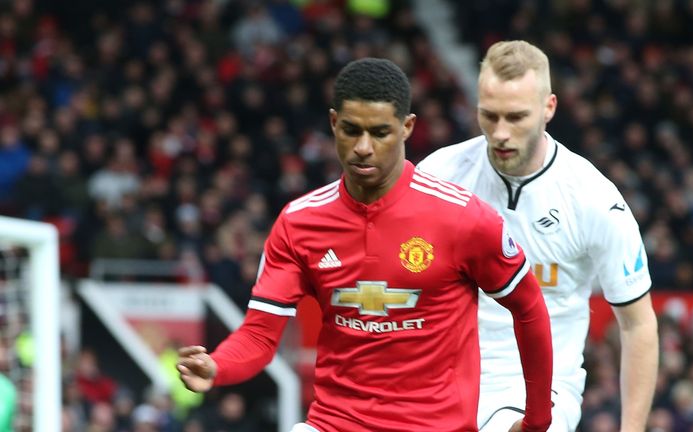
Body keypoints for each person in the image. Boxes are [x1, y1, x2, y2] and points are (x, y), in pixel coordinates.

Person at [177, 57, 554, 432]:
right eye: (352, 130)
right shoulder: (299, 223)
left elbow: (529, 307)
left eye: (379, 132)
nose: (363, 147)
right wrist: (217, 365)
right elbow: (259, 334)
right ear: (333, 123)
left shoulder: (463, 218)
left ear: (407, 128)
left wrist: (537, 420)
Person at [418, 41, 659, 431]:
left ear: (549, 108)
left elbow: (638, 324)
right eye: (489, 115)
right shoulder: (436, 177)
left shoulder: (594, 200)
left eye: (515, 117)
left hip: (539, 389)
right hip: (439, 378)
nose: (500, 133)